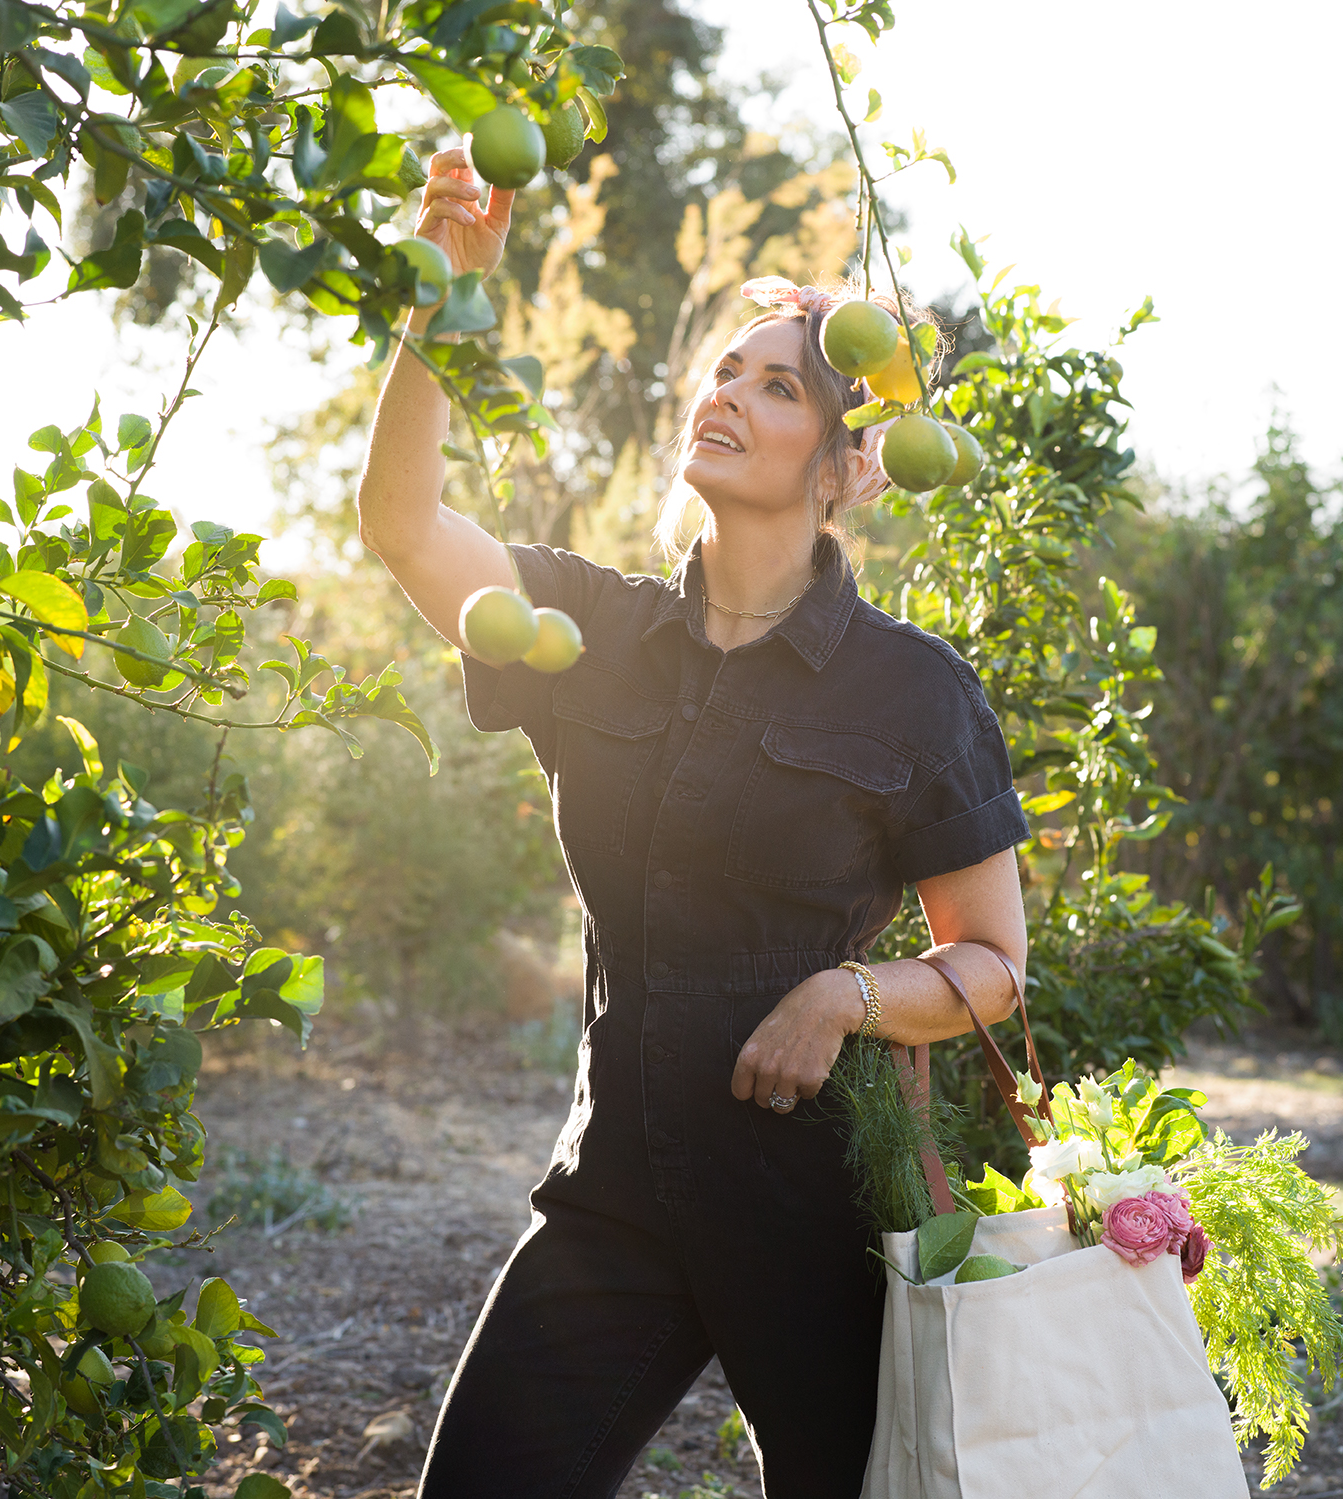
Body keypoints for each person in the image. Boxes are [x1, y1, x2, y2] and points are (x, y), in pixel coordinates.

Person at [358, 148, 1030, 1499]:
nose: (729, 392)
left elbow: (994, 967)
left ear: (845, 466)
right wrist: (442, 293)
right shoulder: (589, 632)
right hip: (619, 1192)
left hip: (822, 1214)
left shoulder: (915, 693)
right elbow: (402, 520)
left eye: (779, 384)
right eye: (729, 368)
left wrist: (842, 995)